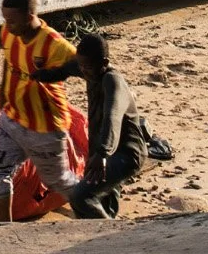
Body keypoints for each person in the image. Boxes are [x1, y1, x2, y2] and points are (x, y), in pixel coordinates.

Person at [31, 32, 170, 219]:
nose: (83, 71)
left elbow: (111, 118)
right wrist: (42, 75)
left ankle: (107, 233)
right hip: (101, 151)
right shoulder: (88, 69)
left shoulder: (113, 82)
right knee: (103, 198)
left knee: (81, 197)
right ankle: (104, 234)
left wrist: (103, 153)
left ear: (104, 63)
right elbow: (64, 70)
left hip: (126, 154)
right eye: (81, 66)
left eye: (87, 67)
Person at [0, 0, 79, 224]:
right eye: (5, 19)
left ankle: (97, 209)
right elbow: (8, 62)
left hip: (44, 127)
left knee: (59, 181)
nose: (8, 25)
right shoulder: (7, 33)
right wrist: (4, 94)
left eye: (12, 20)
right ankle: (3, 228)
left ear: (30, 16)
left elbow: (88, 69)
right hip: (12, 119)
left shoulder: (55, 45)